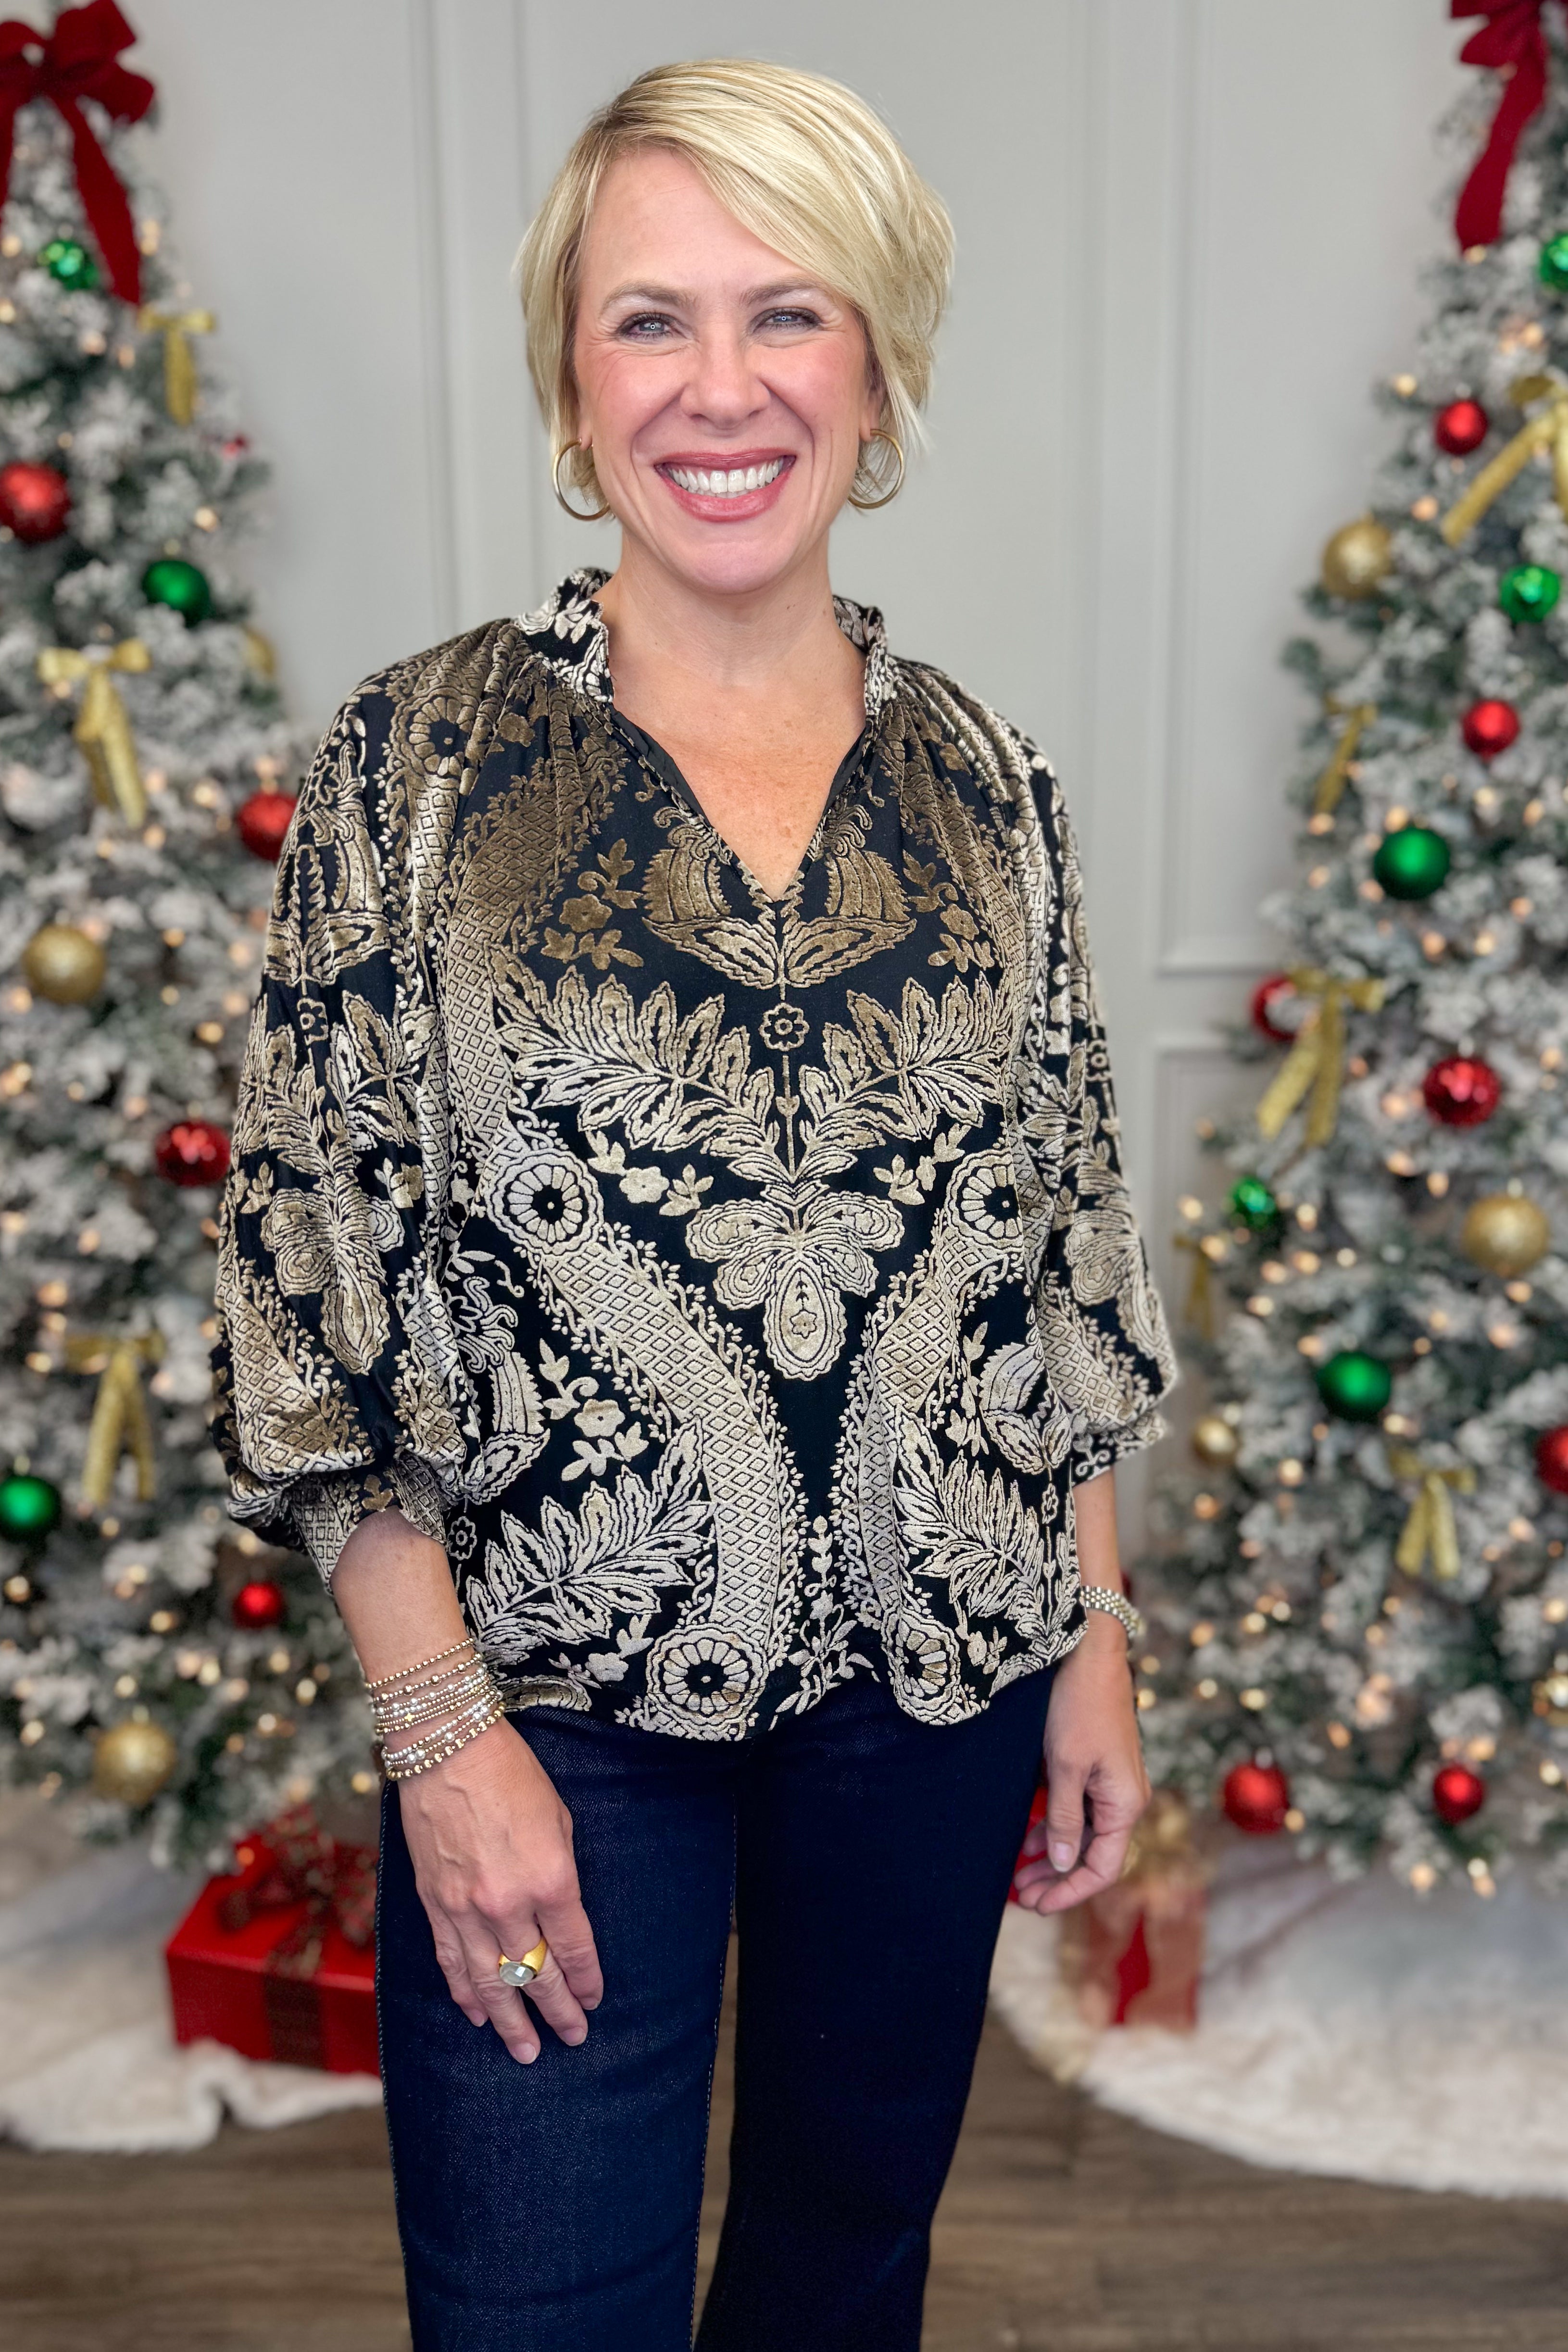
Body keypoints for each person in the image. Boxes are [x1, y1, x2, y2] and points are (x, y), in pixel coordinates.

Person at [212, 56, 1176, 2352]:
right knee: (541, 2301)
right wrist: (438, 1733)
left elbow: (1064, 1237)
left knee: (848, 2267)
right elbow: (307, 1269)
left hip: (943, 1681)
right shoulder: (418, 763)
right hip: (552, 1700)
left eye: (789, 314)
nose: (722, 388)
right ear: (572, 367)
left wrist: (1102, 1630)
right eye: (651, 320)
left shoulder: (988, 779)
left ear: (878, 359)